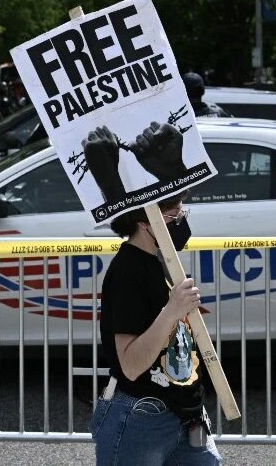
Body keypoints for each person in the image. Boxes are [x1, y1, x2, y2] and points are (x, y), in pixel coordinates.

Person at [89, 194, 221, 465]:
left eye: (183, 213)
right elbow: (131, 364)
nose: (180, 222)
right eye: (173, 216)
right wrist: (172, 310)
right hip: (141, 418)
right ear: (145, 221)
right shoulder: (128, 271)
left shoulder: (160, 262)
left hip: (185, 415)